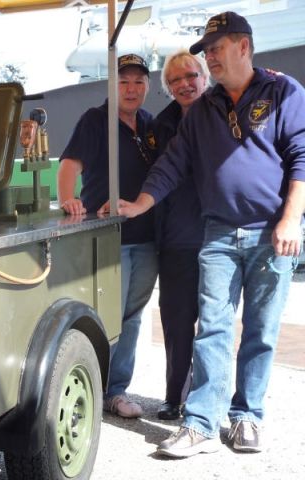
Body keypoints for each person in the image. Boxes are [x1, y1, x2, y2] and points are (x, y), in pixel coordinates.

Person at [118, 11, 305, 456]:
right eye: (208, 53)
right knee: (213, 329)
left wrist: (290, 219)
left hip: (269, 233)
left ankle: (246, 417)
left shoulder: (283, 91)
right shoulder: (203, 108)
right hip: (218, 233)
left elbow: (301, 155)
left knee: (260, 330)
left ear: (243, 46)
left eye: (216, 50)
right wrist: (141, 203)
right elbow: (173, 162)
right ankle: (201, 423)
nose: (212, 60)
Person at [58, 53, 158, 418]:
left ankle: (116, 391)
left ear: (148, 86)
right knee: (107, 315)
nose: (131, 89)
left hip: (147, 237)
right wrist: (69, 200)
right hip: (109, 237)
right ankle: (94, 389)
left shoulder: (148, 124)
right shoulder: (95, 120)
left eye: (139, 81)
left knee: (132, 315)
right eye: (124, 81)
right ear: (112, 86)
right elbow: (69, 165)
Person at [151, 50, 209, 421]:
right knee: (176, 322)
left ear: (205, 76)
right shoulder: (161, 124)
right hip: (175, 242)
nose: (184, 84)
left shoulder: (223, 114)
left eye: (190, 75)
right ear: (168, 88)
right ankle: (175, 394)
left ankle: (206, 402)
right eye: (175, 80)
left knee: (214, 327)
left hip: (218, 238)